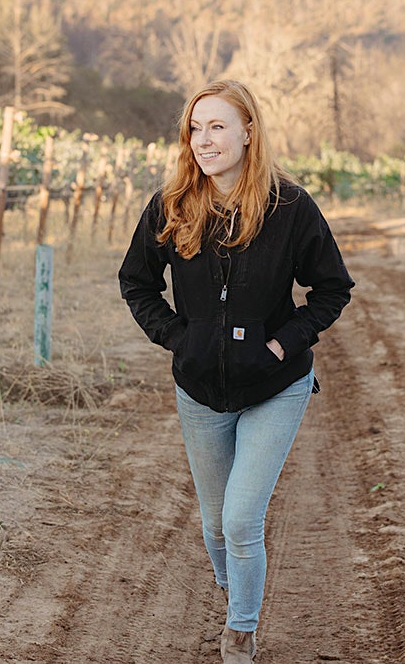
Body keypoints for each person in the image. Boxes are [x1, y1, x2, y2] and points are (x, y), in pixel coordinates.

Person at [119, 79, 353, 662]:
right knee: (216, 528)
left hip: (275, 386)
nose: (203, 140)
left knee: (242, 517)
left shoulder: (290, 208)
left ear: (249, 132)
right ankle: (236, 595)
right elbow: (137, 284)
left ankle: (239, 633)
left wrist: (280, 347)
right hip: (199, 390)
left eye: (217, 126)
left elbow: (332, 290)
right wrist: (181, 338)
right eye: (195, 129)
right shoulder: (172, 205)